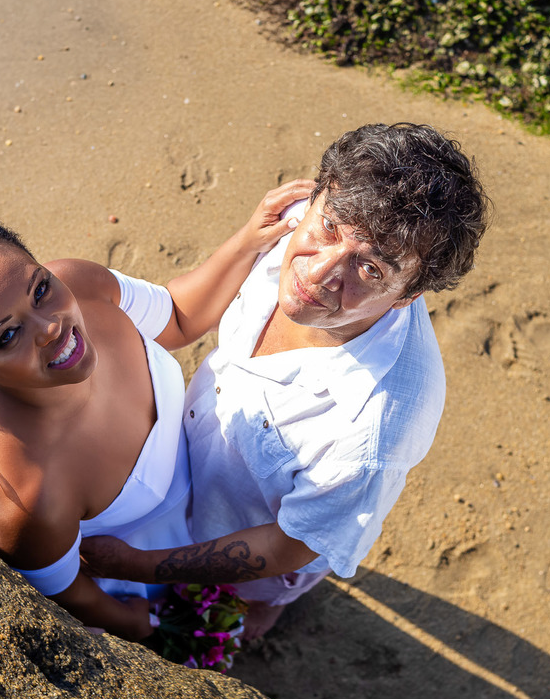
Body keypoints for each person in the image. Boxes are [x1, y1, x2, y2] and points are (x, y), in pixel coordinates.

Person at [0, 175, 310, 640]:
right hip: (146, 566)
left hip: (222, 493)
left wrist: (250, 239)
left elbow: (179, 317)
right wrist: (146, 625)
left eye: (40, 289)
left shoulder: (80, 283)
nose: (49, 328)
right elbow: (71, 593)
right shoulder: (23, 496)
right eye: (6, 337)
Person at [81, 122, 491, 638]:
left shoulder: (372, 431)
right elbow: (188, 308)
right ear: (317, 194)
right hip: (191, 479)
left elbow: (288, 545)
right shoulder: (290, 225)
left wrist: (139, 566)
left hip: (257, 542)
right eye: (330, 227)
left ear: (409, 295)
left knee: (255, 610)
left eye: (370, 270)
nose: (320, 273)